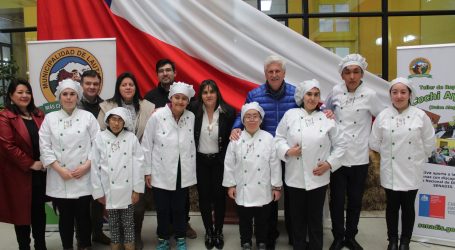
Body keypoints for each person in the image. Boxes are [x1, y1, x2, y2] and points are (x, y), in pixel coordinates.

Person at [230, 55, 297, 249]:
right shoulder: (255, 94)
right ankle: (269, 234)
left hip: (290, 152)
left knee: (292, 196)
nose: (274, 74)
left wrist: (326, 111)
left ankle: (295, 234)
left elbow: (309, 110)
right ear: (265, 74)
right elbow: (244, 113)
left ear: (284, 73)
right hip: (266, 152)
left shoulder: (295, 93)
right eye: (270, 71)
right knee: (270, 196)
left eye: (278, 71)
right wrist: (235, 127)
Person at [275, 79, 347, 250]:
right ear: (302, 96)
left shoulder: (326, 118)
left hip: (318, 177)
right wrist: (287, 151)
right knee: (297, 219)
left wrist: (329, 164)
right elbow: (278, 139)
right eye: (309, 94)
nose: (312, 98)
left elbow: (342, 145)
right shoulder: (290, 115)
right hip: (295, 176)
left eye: (316, 95)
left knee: (315, 220)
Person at [324, 54, 385, 250]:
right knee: (337, 200)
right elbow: (325, 110)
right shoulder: (335, 91)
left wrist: (376, 142)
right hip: (337, 156)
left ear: (362, 74)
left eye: (356, 72)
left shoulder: (370, 95)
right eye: (347, 72)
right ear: (342, 75)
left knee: (355, 200)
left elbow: (382, 118)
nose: (352, 76)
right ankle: (338, 236)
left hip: (359, 156)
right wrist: (328, 113)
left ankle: (351, 236)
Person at [369, 77, 435, 250]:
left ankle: (405, 241)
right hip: (390, 169)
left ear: (410, 94)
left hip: (411, 169)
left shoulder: (420, 115)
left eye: (403, 92)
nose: (399, 96)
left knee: (408, 206)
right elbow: (374, 142)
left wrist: (417, 159)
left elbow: (430, 143)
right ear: (390, 94)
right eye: (395, 92)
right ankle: (392, 240)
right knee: (392, 206)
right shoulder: (383, 115)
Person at [39, 79, 100, 250]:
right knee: (65, 217)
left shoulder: (87, 117)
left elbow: (98, 144)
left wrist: (86, 166)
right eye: (65, 94)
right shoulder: (50, 118)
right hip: (60, 177)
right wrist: (59, 169)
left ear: (78, 96)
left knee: (83, 216)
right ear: (59, 97)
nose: (68, 97)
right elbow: (44, 147)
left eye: (72, 94)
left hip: (84, 174)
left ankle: (85, 245)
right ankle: (67, 247)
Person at [97, 72, 155, 249]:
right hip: (112, 160)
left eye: (131, 84)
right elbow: (99, 132)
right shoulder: (107, 106)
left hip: (137, 158)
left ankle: (134, 235)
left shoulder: (147, 106)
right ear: (118, 88)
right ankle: (117, 238)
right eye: (124, 84)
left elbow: (152, 132)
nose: (128, 87)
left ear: (136, 87)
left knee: (136, 206)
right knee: (114, 211)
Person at [144, 59, 198, 239]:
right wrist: (147, 171)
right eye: (177, 97)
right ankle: (163, 238)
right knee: (163, 208)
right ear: (171, 98)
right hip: (161, 169)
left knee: (180, 206)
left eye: (184, 99)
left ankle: (181, 236)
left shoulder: (190, 117)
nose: (180, 101)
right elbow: (147, 143)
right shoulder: (157, 114)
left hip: (182, 170)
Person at [223, 102, 282, 250]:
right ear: (243, 120)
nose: (251, 119)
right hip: (243, 187)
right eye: (248, 116)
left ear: (261, 119)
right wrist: (230, 185)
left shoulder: (269, 138)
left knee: (263, 219)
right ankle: (246, 242)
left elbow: (275, 164)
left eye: (255, 116)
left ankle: (262, 242)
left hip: (264, 188)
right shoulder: (236, 139)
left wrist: (276, 186)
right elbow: (229, 163)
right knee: (244, 219)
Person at [188, 79, 236, 249]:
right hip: (200, 161)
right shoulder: (193, 109)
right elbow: (174, 107)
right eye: (205, 92)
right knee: (204, 198)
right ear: (201, 95)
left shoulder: (228, 112)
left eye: (212, 92)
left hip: (219, 161)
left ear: (217, 93)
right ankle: (209, 231)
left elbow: (235, 131)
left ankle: (219, 231)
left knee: (219, 198)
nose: (208, 95)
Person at [0, 78, 47, 250]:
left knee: (38, 213)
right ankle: (24, 247)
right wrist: (30, 163)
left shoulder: (38, 114)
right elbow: (7, 146)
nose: (24, 95)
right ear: (11, 95)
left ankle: (41, 246)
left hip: (40, 173)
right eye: (20, 92)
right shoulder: (5, 116)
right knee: (21, 215)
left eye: (27, 92)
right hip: (19, 175)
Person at [91, 107, 146, 250]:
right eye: (113, 119)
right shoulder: (100, 138)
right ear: (108, 121)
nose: (116, 123)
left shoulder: (131, 138)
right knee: (113, 221)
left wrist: (137, 190)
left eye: (120, 120)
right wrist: (98, 192)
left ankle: (129, 245)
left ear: (125, 122)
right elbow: (95, 166)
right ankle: (115, 244)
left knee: (128, 221)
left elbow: (138, 165)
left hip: (128, 189)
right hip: (108, 189)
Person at [76, 69, 111, 245]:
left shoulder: (106, 106)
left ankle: (97, 232)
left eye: (95, 84)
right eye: (88, 83)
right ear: (82, 84)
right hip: (78, 162)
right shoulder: (73, 103)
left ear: (100, 85)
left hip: (99, 162)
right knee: (80, 202)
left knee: (98, 200)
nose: (92, 87)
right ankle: (81, 237)